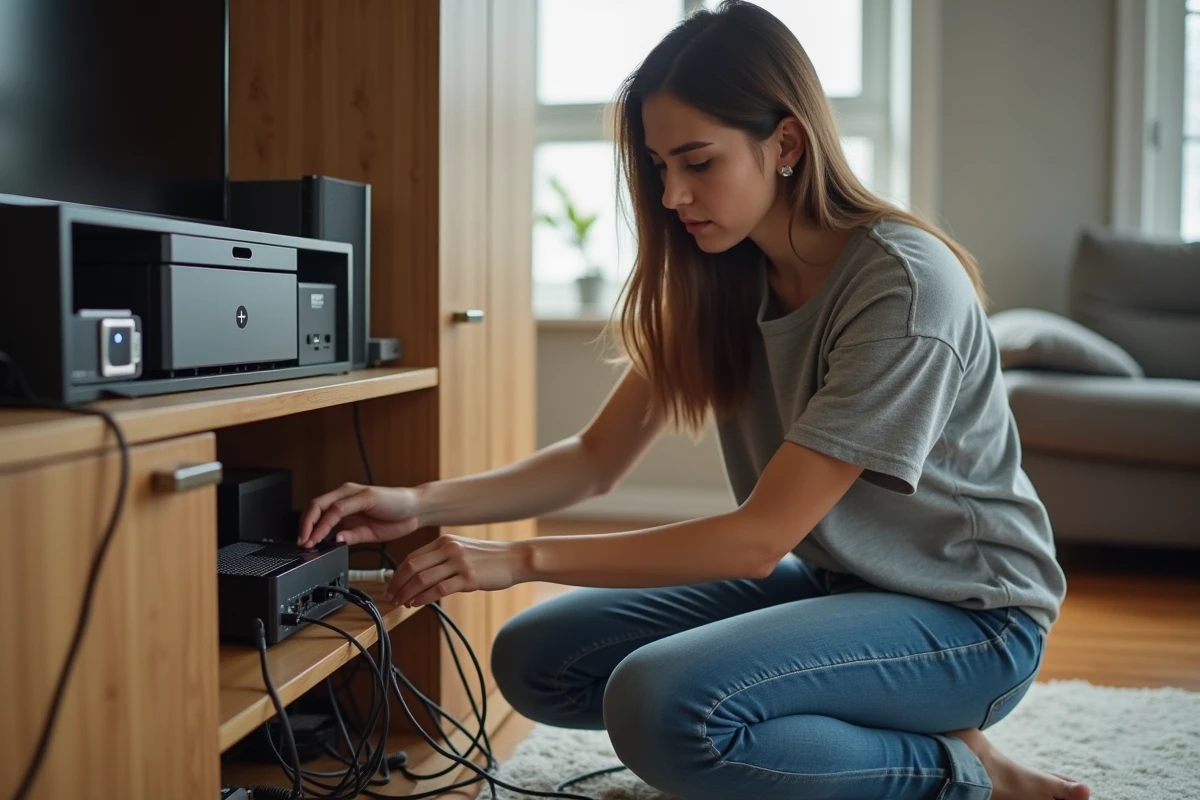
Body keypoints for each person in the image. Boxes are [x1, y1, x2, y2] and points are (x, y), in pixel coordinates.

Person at [298, 3, 1091, 798]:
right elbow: (594, 461)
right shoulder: (722, 272)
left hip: (973, 622)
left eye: (698, 161)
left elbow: (756, 539)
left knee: (659, 704)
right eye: (657, 165)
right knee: (536, 661)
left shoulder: (903, 289)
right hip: (836, 585)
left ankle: (962, 774)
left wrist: (515, 559)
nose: (673, 193)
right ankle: (892, 724)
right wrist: (417, 501)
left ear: (784, 144)